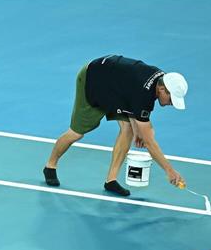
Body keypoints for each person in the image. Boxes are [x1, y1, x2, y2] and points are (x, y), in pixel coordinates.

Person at [43, 55, 188, 196]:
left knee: (128, 129)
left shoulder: (160, 80)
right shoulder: (144, 93)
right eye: (171, 99)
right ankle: (50, 166)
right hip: (93, 79)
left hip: (116, 86)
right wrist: (170, 171)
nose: (171, 104)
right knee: (76, 133)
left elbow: (131, 96)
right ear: (162, 89)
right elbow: (149, 141)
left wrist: (138, 130)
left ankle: (110, 180)